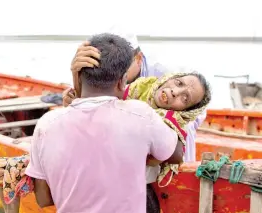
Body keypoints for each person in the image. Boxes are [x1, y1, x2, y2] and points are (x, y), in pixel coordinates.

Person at [0, 33, 182, 213]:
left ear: (78, 75)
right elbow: (174, 153)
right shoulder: (140, 114)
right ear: (121, 82)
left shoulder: (47, 124)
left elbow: (44, 200)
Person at [65, 32, 207, 162]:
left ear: (138, 59)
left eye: (120, 65)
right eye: (102, 66)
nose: (111, 72)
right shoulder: (141, 88)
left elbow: (175, 154)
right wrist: (76, 78)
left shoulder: (163, 77)